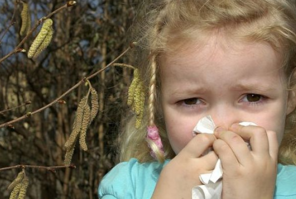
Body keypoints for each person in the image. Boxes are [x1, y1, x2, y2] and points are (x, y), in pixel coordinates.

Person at [98, 0, 296, 198]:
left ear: (290, 95)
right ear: (157, 103)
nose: (221, 126)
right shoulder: (127, 186)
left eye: (253, 97)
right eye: (191, 101)